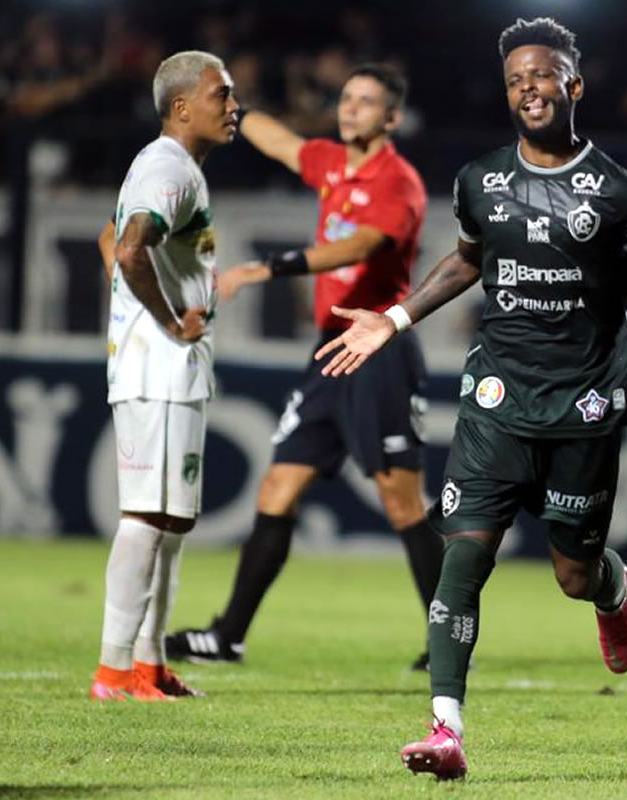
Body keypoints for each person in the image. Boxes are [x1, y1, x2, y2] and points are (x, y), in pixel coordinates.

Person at [315, 17, 627, 780]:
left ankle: (610, 586)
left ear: (574, 84)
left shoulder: (618, 190)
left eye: (541, 75)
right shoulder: (480, 181)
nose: (528, 89)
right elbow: (466, 261)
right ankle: (446, 728)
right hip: (496, 396)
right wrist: (395, 318)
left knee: (573, 572)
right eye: (515, 80)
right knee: (464, 555)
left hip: (584, 406)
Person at [162, 63, 442, 671]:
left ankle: (448, 637)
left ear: (392, 118)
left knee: (402, 504)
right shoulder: (330, 162)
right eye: (346, 98)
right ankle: (228, 636)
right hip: (330, 352)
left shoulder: (399, 182)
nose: (351, 108)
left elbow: (358, 246)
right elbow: (279, 141)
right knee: (277, 489)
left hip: (379, 350)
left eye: (366, 101)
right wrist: (232, 103)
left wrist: (270, 267)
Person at [89, 50, 238, 701]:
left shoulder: (178, 169)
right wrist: (169, 322)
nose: (233, 107)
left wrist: (141, 309)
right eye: (221, 95)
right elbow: (128, 248)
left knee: (173, 524)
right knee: (147, 517)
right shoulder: (167, 167)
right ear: (181, 107)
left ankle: (149, 666)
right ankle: (112, 670)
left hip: (176, 370)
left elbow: (108, 237)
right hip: (156, 371)